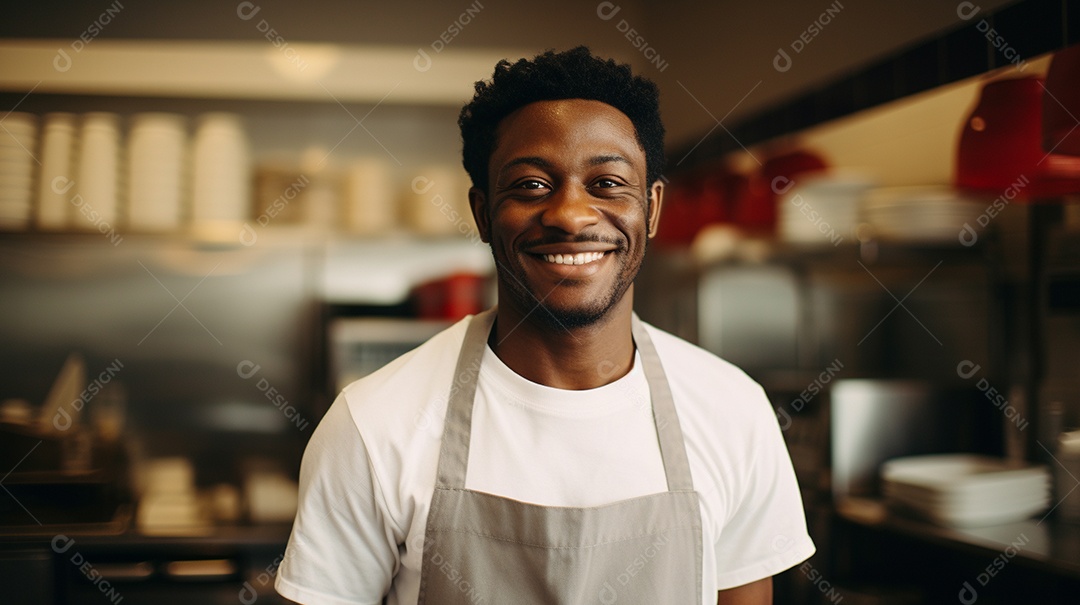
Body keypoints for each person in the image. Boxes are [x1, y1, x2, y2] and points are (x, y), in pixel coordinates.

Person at [276, 46, 814, 605]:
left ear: (651, 208)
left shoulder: (734, 411)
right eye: (532, 185)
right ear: (483, 213)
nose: (571, 214)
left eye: (606, 182)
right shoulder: (373, 425)